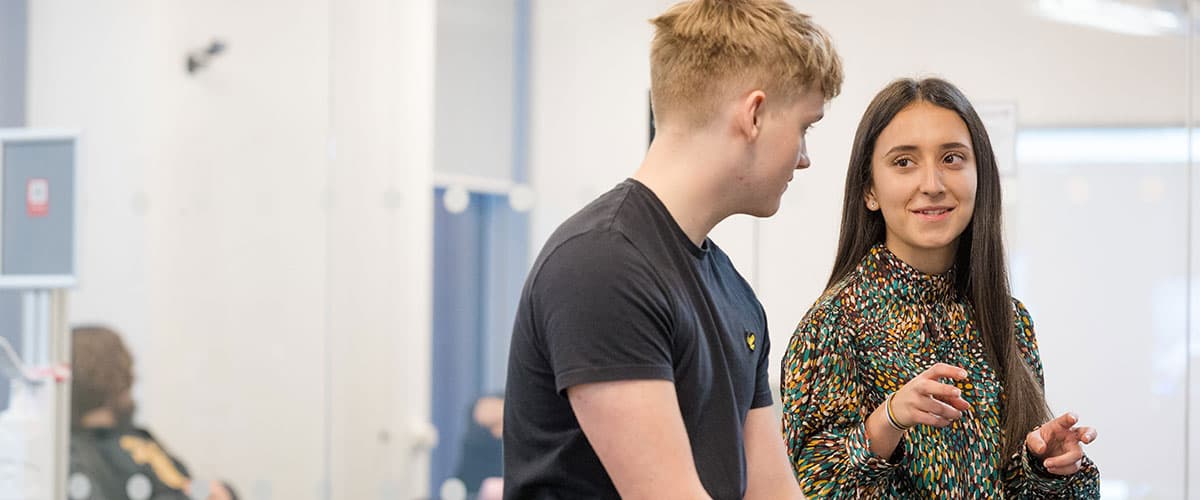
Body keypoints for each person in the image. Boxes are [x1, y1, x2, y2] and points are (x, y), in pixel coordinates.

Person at [502, 0, 843, 498]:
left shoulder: (736, 297)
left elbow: (774, 492)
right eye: (805, 128)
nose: (805, 157)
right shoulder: (602, 265)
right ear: (755, 114)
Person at [781, 77, 1100, 497]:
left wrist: (1046, 468)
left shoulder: (1010, 320)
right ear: (869, 190)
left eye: (952, 158)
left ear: (979, 175)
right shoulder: (832, 326)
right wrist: (889, 420)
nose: (932, 183)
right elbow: (811, 487)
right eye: (903, 162)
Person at [68, 325, 237, 500]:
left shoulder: (137, 436)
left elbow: (182, 483)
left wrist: (221, 492)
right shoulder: (77, 453)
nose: (132, 375)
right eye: (123, 367)